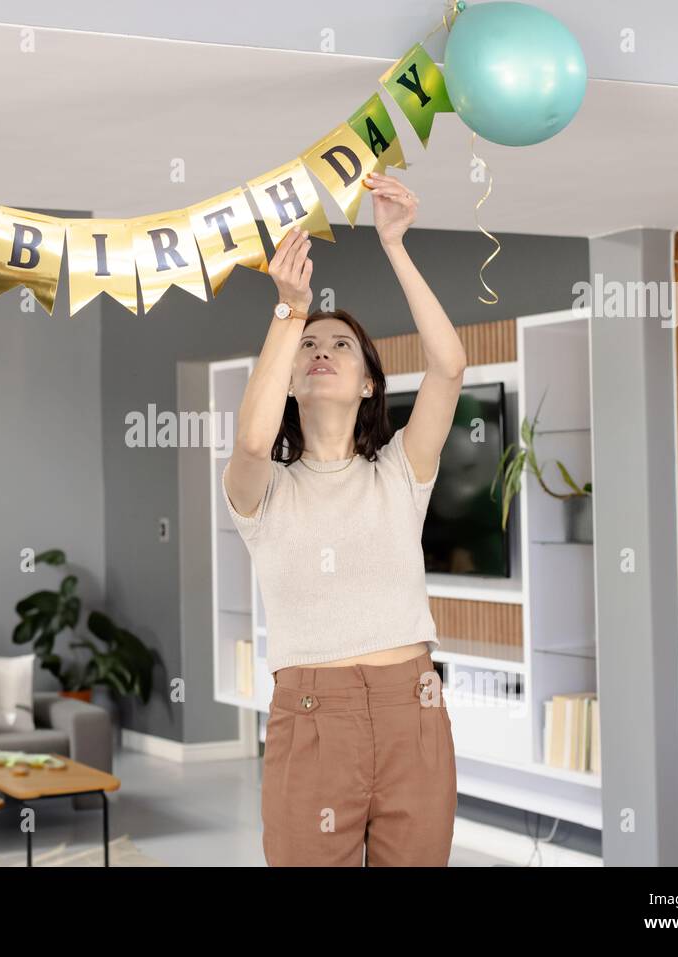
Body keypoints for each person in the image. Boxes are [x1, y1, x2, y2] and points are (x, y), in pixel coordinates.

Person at [222, 171, 467, 866]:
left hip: (411, 710)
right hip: (311, 717)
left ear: (367, 383)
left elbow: (448, 368)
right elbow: (249, 439)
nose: (321, 350)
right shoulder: (262, 491)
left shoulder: (399, 471)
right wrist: (288, 312)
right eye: (309, 346)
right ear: (292, 378)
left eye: (341, 345)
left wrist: (395, 244)